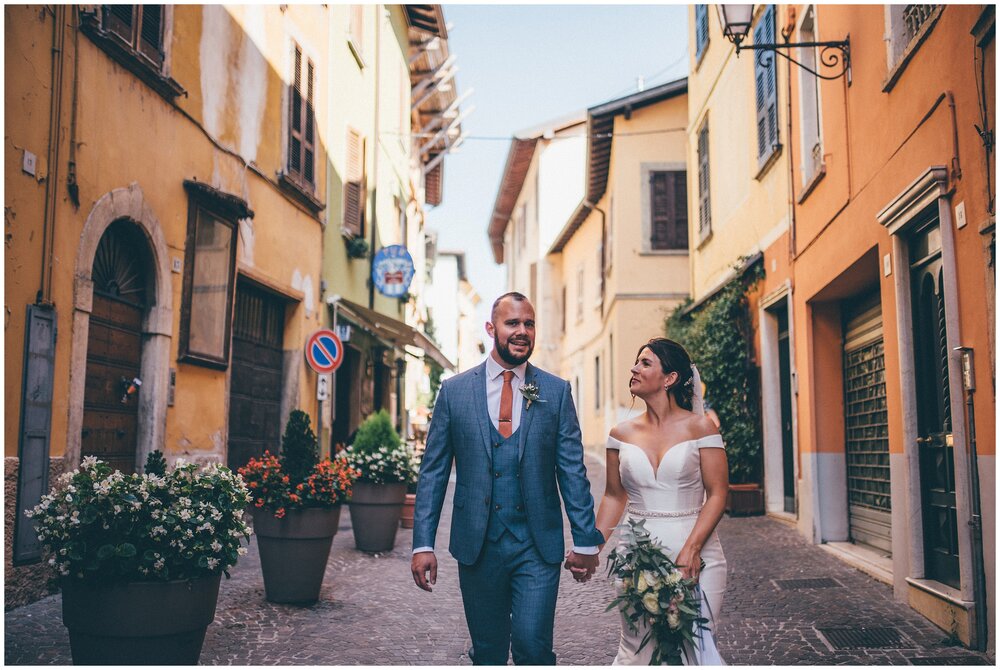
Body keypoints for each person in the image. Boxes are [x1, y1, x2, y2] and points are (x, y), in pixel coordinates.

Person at [411, 292, 605, 665]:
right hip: (477, 546)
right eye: (512, 323)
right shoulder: (454, 392)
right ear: (491, 328)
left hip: (537, 546)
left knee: (533, 647)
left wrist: (585, 540)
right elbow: (433, 472)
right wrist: (423, 543)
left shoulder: (556, 392)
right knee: (488, 651)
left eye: (529, 323)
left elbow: (572, 470)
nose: (522, 331)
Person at [592, 337, 729, 665]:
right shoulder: (620, 434)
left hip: (698, 557)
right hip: (636, 556)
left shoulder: (701, 427)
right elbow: (614, 495)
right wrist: (589, 548)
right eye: (637, 362)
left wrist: (691, 549)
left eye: (645, 363)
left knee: (693, 649)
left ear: (669, 379)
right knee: (637, 648)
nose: (634, 369)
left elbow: (719, 493)